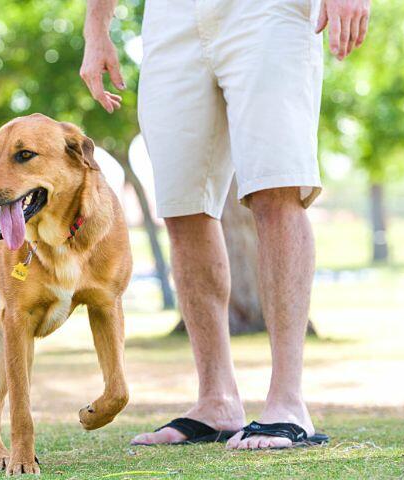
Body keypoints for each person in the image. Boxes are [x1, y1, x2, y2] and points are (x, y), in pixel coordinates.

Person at [80, 0, 370, 449]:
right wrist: (96, 27)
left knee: (278, 187)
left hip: (265, 10)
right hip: (169, 19)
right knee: (183, 206)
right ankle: (216, 401)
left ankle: (288, 403)